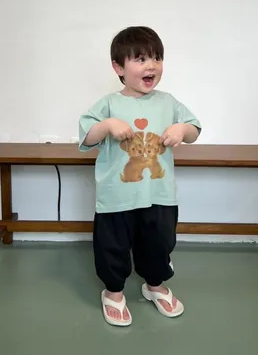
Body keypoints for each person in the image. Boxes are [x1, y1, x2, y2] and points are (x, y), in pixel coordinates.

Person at [78, 26, 201, 326]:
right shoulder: (109, 104)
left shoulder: (168, 102)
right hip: (116, 197)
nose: (152, 66)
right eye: (141, 59)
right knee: (113, 247)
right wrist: (107, 125)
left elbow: (194, 129)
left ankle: (154, 285)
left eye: (157, 58)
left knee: (159, 243)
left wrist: (182, 129)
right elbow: (87, 137)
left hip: (159, 195)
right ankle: (113, 291)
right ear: (118, 68)